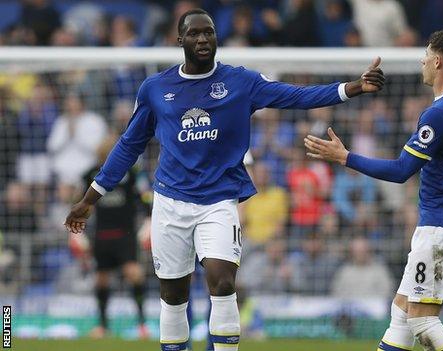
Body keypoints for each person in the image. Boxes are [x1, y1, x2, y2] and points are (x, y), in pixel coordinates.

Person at [64, 8, 384, 351]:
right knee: (173, 296)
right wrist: (89, 199)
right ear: (180, 40)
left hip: (218, 201)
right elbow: (129, 146)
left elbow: (294, 96)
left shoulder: (240, 82)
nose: (203, 39)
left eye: (209, 33)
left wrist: (352, 88)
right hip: (170, 203)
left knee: (221, 281)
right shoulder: (156, 89)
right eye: (195, 33)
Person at [304, 29, 443, 351]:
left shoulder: (440, 114)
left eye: (426, 54)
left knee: (422, 320)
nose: (422, 60)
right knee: (401, 312)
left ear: (438, 61)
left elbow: (401, 171)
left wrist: (345, 157)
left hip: (442, 227)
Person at [80, 136, 151, 339]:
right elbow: (81, 201)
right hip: (101, 235)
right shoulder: (89, 175)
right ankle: (103, 326)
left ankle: (142, 324)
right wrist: (79, 233)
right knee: (101, 280)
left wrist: (148, 219)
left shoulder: (132, 173)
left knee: (134, 274)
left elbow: (144, 197)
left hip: (125, 235)